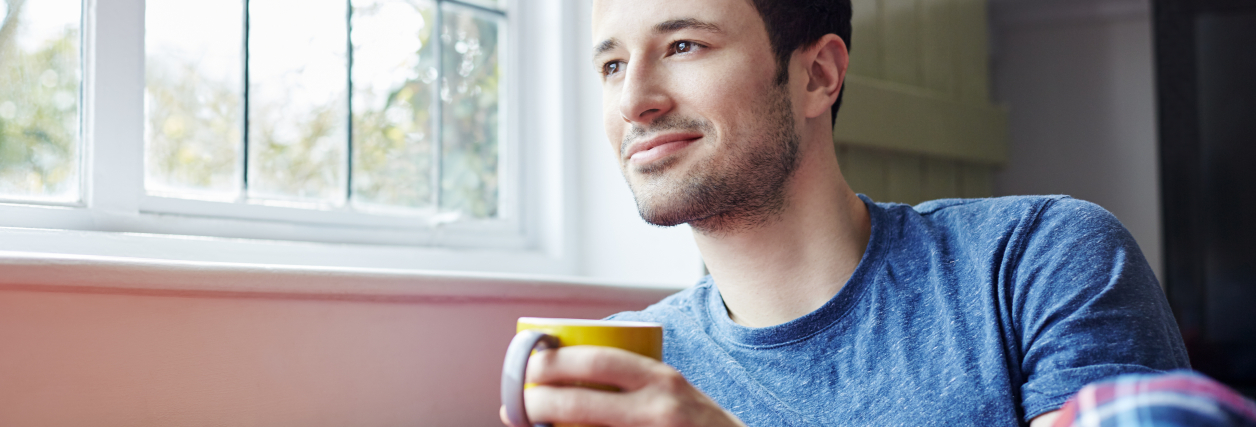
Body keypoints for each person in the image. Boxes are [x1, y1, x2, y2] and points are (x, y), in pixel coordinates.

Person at [500, 0, 1195, 425]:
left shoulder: (1041, 261)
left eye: (684, 45)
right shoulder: (630, 363)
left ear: (818, 76)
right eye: (612, 66)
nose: (634, 102)